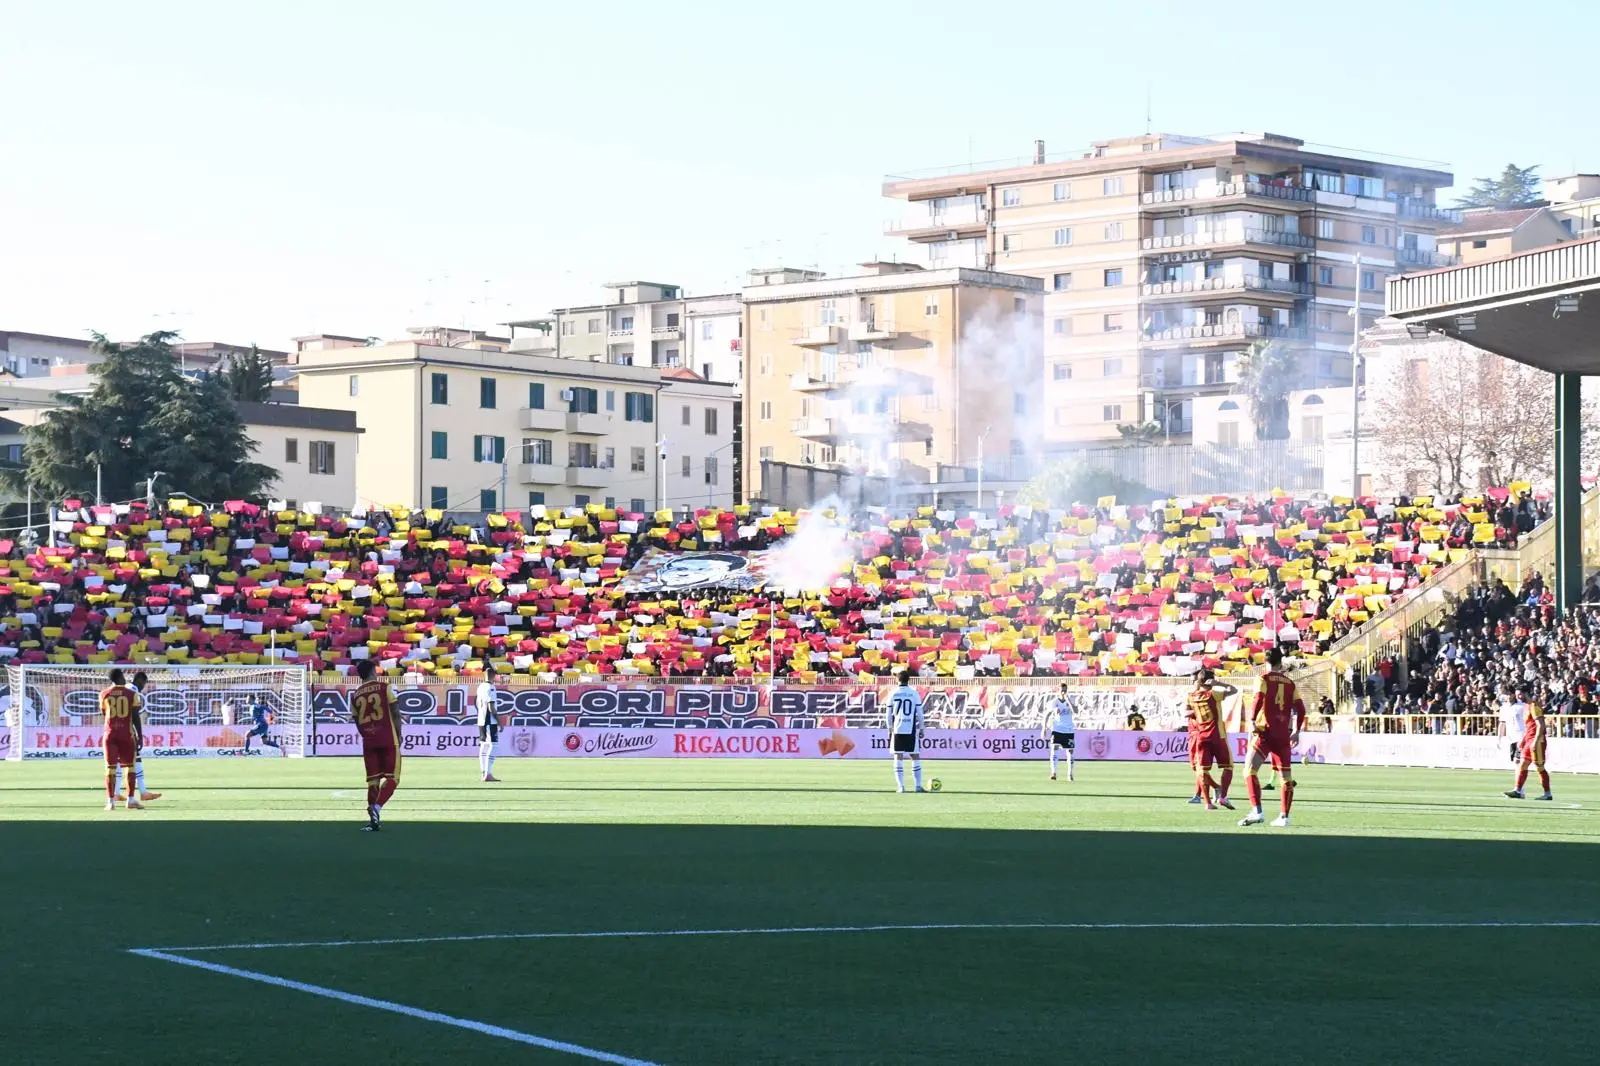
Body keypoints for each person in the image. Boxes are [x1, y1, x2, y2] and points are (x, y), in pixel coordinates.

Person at [1238, 648, 1306, 828]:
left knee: (1249, 771)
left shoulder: (1263, 679)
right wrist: (1297, 731)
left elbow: (1258, 699)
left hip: (1265, 731)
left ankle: (1257, 811)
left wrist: (1252, 720)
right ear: (1280, 662)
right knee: (1286, 778)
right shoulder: (1290, 683)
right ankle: (1284, 817)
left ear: (1266, 661)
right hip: (1283, 734)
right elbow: (1301, 710)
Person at [351, 660, 402, 831]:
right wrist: (399, 734)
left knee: (373, 781)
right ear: (373, 671)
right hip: (387, 737)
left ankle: (373, 822)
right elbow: (395, 711)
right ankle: (377, 808)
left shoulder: (355, 694)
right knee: (392, 778)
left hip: (369, 740)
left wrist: (366, 734)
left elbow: (357, 720)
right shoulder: (384, 687)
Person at [1187, 670, 1234, 810]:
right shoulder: (1213, 694)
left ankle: (1208, 803)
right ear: (1210, 680)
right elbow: (1233, 690)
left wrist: (1198, 712)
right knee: (1228, 766)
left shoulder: (1191, 696)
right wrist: (1218, 683)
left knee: (1202, 769)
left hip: (1201, 736)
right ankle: (1223, 796)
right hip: (1218, 736)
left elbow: (1185, 712)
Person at [100, 669, 142, 811]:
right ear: (119, 677)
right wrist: (140, 735)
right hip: (126, 734)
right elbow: (136, 716)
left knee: (110, 768)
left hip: (109, 735)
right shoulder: (131, 694)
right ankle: (130, 800)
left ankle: (110, 802)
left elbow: (104, 713)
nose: (125, 679)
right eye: (123, 676)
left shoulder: (103, 694)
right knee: (130, 766)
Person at [117, 671, 162, 803]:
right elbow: (135, 714)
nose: (143, 686)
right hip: (127, 731)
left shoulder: (123, 688)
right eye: (144, 683)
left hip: (115, 729)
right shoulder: (133, 690)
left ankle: (116, 793)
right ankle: (143, 792)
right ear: (141, 680)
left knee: (120, 762)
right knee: (136, 760)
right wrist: (139, 734)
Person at [1505, 694, 1553, 801]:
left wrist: (1535, 742)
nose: (1518, 696)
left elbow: (1541, 725)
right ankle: (1517, 790)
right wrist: (1524, 740)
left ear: (1527, 694)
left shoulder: (1534, 706)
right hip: (1529, 740)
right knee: (1522, 764)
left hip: (1537, 741)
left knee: (1539, 767)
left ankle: (1547, 793)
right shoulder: (1527, 708)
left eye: (1520, 694)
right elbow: (1530, 727)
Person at [886, 669, 925, 794]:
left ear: (897, 680)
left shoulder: (893, 693)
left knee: (898, 756)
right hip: (911, 728)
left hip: (898, 728)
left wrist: (889, 728)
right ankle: (918, 786)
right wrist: (922, 727)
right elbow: (920, 713)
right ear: (909, 680)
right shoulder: (913, 693)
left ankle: (901, 787)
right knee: (915, 756)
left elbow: (888, 713)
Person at [1041, 682, 1076, 782]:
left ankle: (1070, 774)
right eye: (1062, 690)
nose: (1063, 692)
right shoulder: (1054, 702)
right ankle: (1053, 773)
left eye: (1065, 690)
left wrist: (1068, 700)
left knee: (1070, 752)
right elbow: (1047, 715)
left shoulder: (1071, 700)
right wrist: (1044, 728)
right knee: (1054, 749)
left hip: (1069, 730)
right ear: (1059, 690)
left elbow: (1076, 711)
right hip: (1057, 729)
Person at [476, 665, 501, 783]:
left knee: (484, 746)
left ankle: (483, 772)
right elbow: (491, 706)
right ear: (493, 675)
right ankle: (488, 773)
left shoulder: (480, 686)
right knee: (494, 745)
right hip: (489, 720)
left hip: (480, 719)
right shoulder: (491, 687)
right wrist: (499, 721)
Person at [1501, 689, 1527, 766]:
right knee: (1514, 760)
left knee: (1518, 758)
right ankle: (1519, 775)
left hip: (1521, 734)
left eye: (1510, 695)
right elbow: (1502, 722)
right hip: (1511, 735)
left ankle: (1521, 774)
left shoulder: (1521, 705)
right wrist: (1500, 737)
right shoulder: (1504, 707)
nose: (1508, 697)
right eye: (1506, 695)